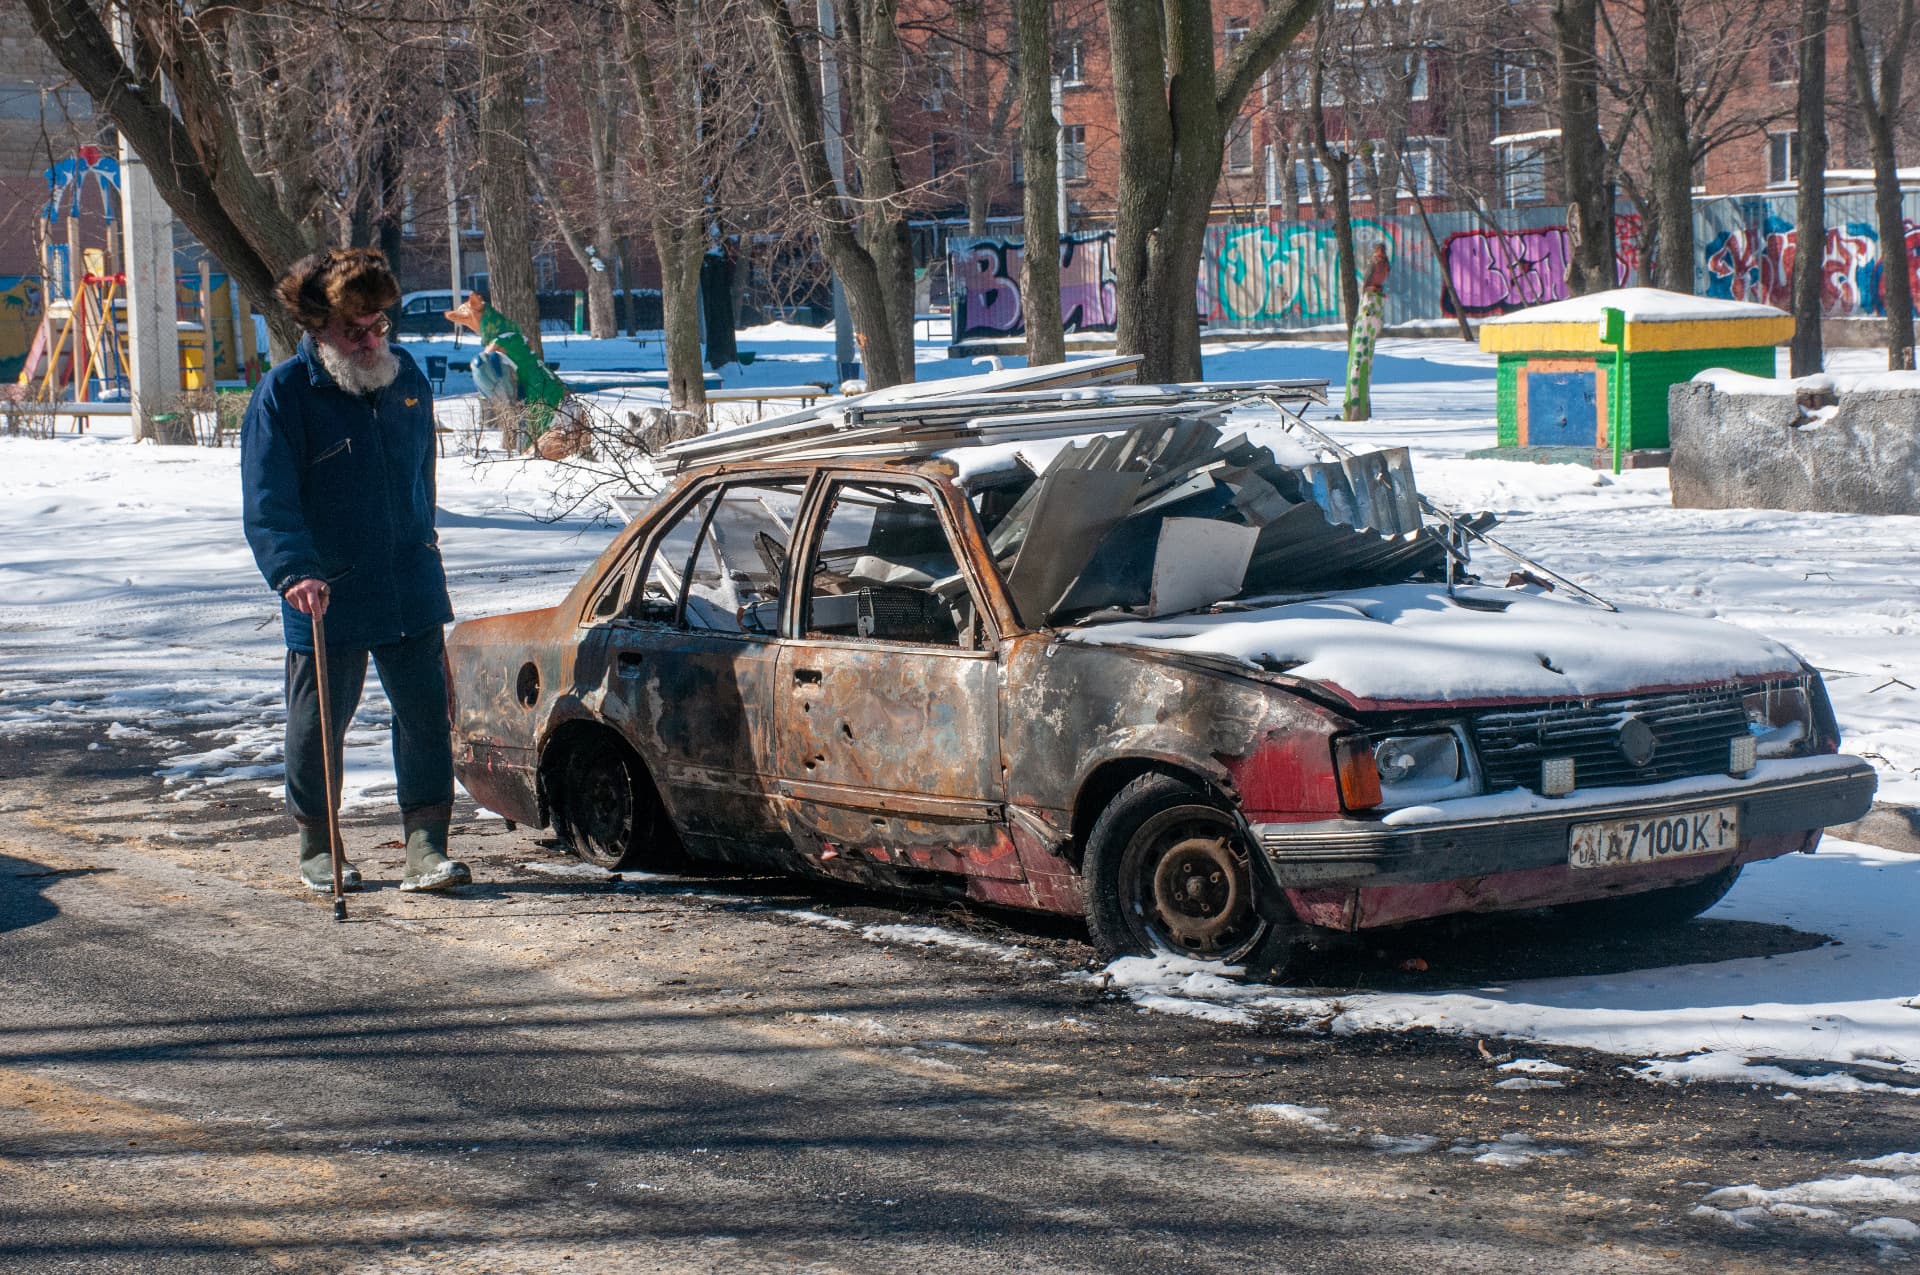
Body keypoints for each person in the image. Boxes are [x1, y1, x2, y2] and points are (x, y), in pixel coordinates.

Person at [241, 247, 471, 893]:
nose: (371, 341)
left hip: (408, 581)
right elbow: (269, 502)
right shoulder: (284, 395)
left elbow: (421, 486)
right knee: (318, 725)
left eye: (378, 327)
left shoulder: (408, 384)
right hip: (325, 591)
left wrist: (429, 561)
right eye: (354, 331)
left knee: (427, 715)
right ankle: (320, 846)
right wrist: (294, 572)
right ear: (319, 331)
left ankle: (427, 847)